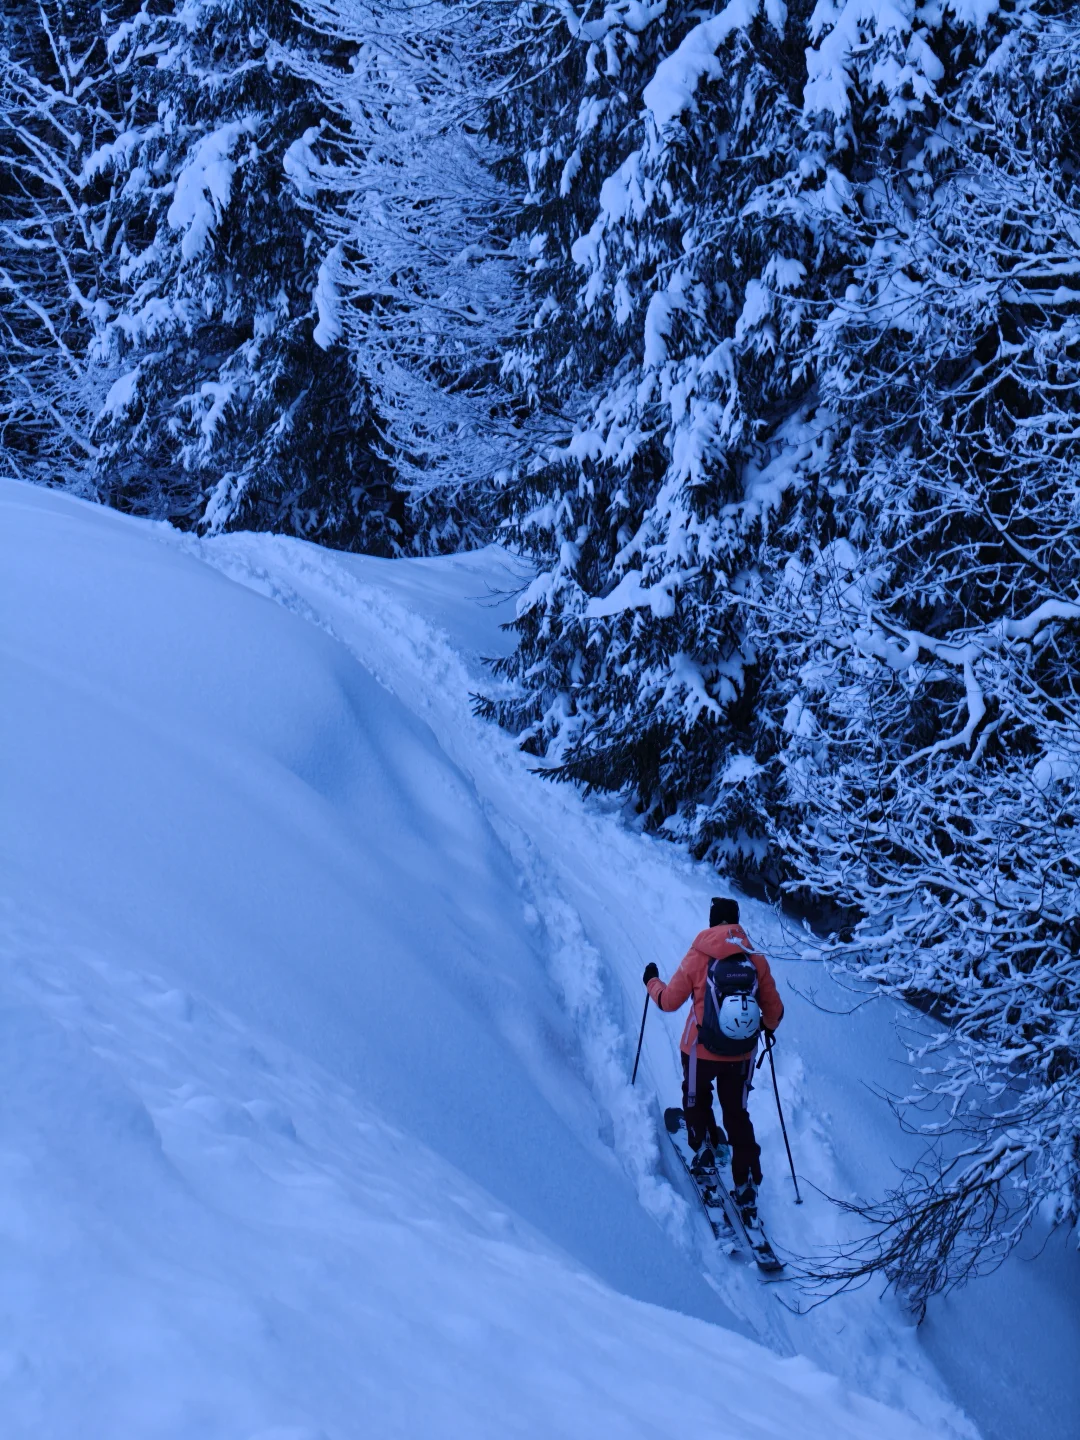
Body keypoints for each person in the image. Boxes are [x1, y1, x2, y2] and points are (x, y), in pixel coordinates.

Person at [642, 897, 783, 1220]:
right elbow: (774, 1013)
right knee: (737, 1114)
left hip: (699, 1050)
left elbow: (668, 1001)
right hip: (741, 1055)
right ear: (736, 921)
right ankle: (746, 1183)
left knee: (696, 1100)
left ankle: (704, 1150)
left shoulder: (698, 955)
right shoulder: (755, 959)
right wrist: (761, 1026)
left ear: (711, 921)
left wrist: (651, 980)